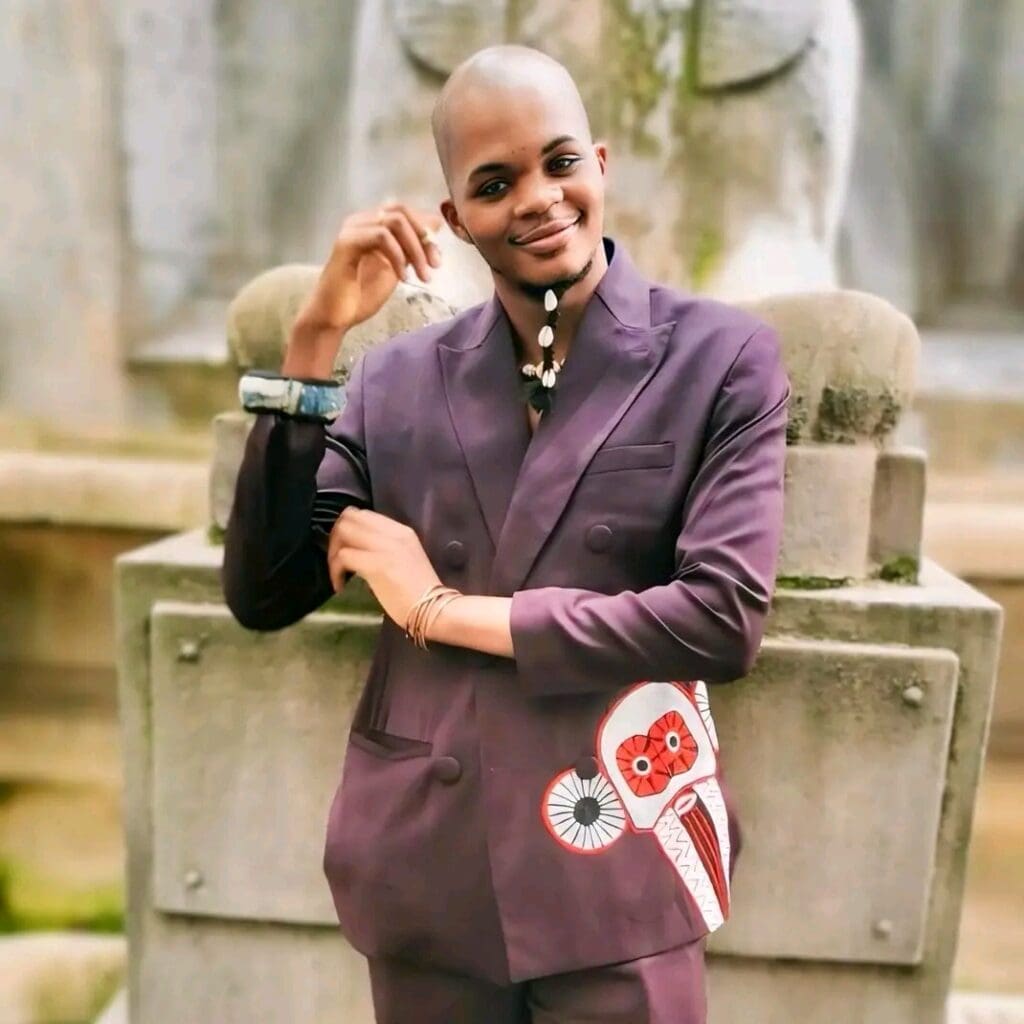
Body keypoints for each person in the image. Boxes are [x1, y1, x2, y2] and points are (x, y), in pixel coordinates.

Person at [223, 43, 790, 1024]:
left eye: (559, 163)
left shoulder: (721, 358)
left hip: (619, 862)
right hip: (428, 872)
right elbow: (266, 592)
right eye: (495, 184)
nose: (537, 199)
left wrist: (440, 610)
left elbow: (719, 619)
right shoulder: (397, 381)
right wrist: (313, 344)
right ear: (455, 218)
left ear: (599, 164)